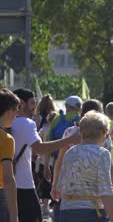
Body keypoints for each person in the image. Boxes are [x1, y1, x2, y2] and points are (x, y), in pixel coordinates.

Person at [11, 88, 80, 222]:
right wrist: (70, 140)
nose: (35, 108)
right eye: (32, 103)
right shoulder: (26, 123)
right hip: (23, 185)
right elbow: (40, 149)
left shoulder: (7, 123)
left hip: (6, 183)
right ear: (21, 103)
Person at [51, 99, 113, 221]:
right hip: (92, 212)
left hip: (67, 211)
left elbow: (63, 184)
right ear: (103, 133)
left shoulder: (70, 152)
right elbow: (105, 189)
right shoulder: (102, 153)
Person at [0, 88, 20, 222]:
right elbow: (8, 177)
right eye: (16, 110)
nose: (17, 114)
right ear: (9, 111)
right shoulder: (6, 139)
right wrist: (14, 215)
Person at [36, 111, 59, 219]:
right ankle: (54, 209)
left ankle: (45, 208)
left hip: (43, 161)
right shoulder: (58, 130)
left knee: (45, 185)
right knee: (54, 185)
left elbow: (37, 139)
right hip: (54, 162)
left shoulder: (44, 129)